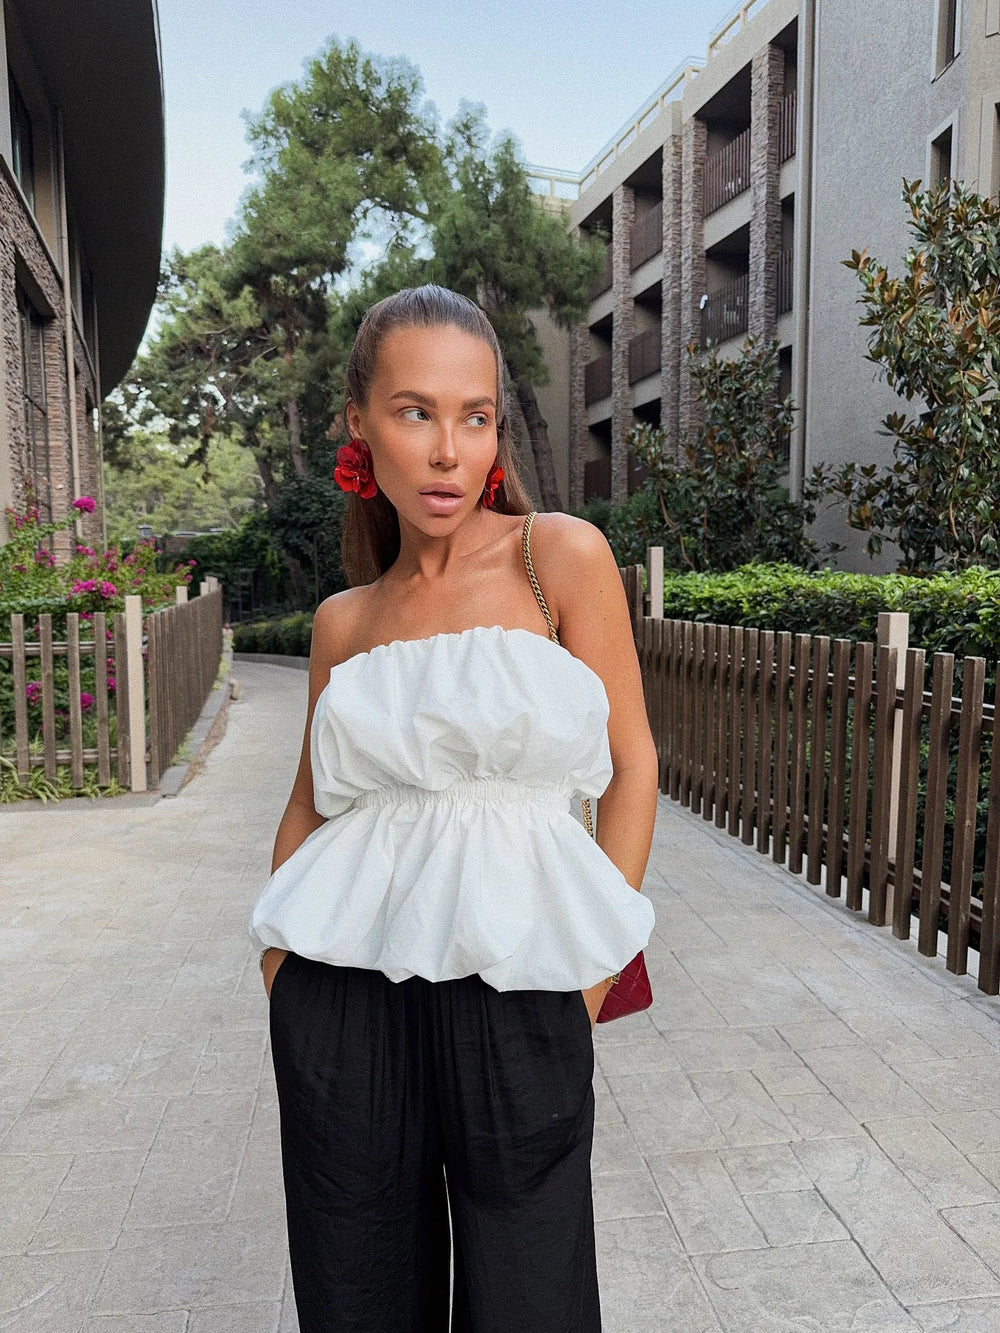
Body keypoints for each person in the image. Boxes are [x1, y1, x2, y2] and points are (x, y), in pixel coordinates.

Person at [249, 284, 657, 1333]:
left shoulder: (554, 556)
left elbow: (633, 763)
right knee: (356, 1296)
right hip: (345, 1003)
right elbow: (310, 805)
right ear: (360, 421)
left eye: (474, 416)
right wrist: (279, 970)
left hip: (519, 993)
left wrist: (590, 973)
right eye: (415, 410)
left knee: (533, 1300)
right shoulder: (345, 620)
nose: (447, 451)